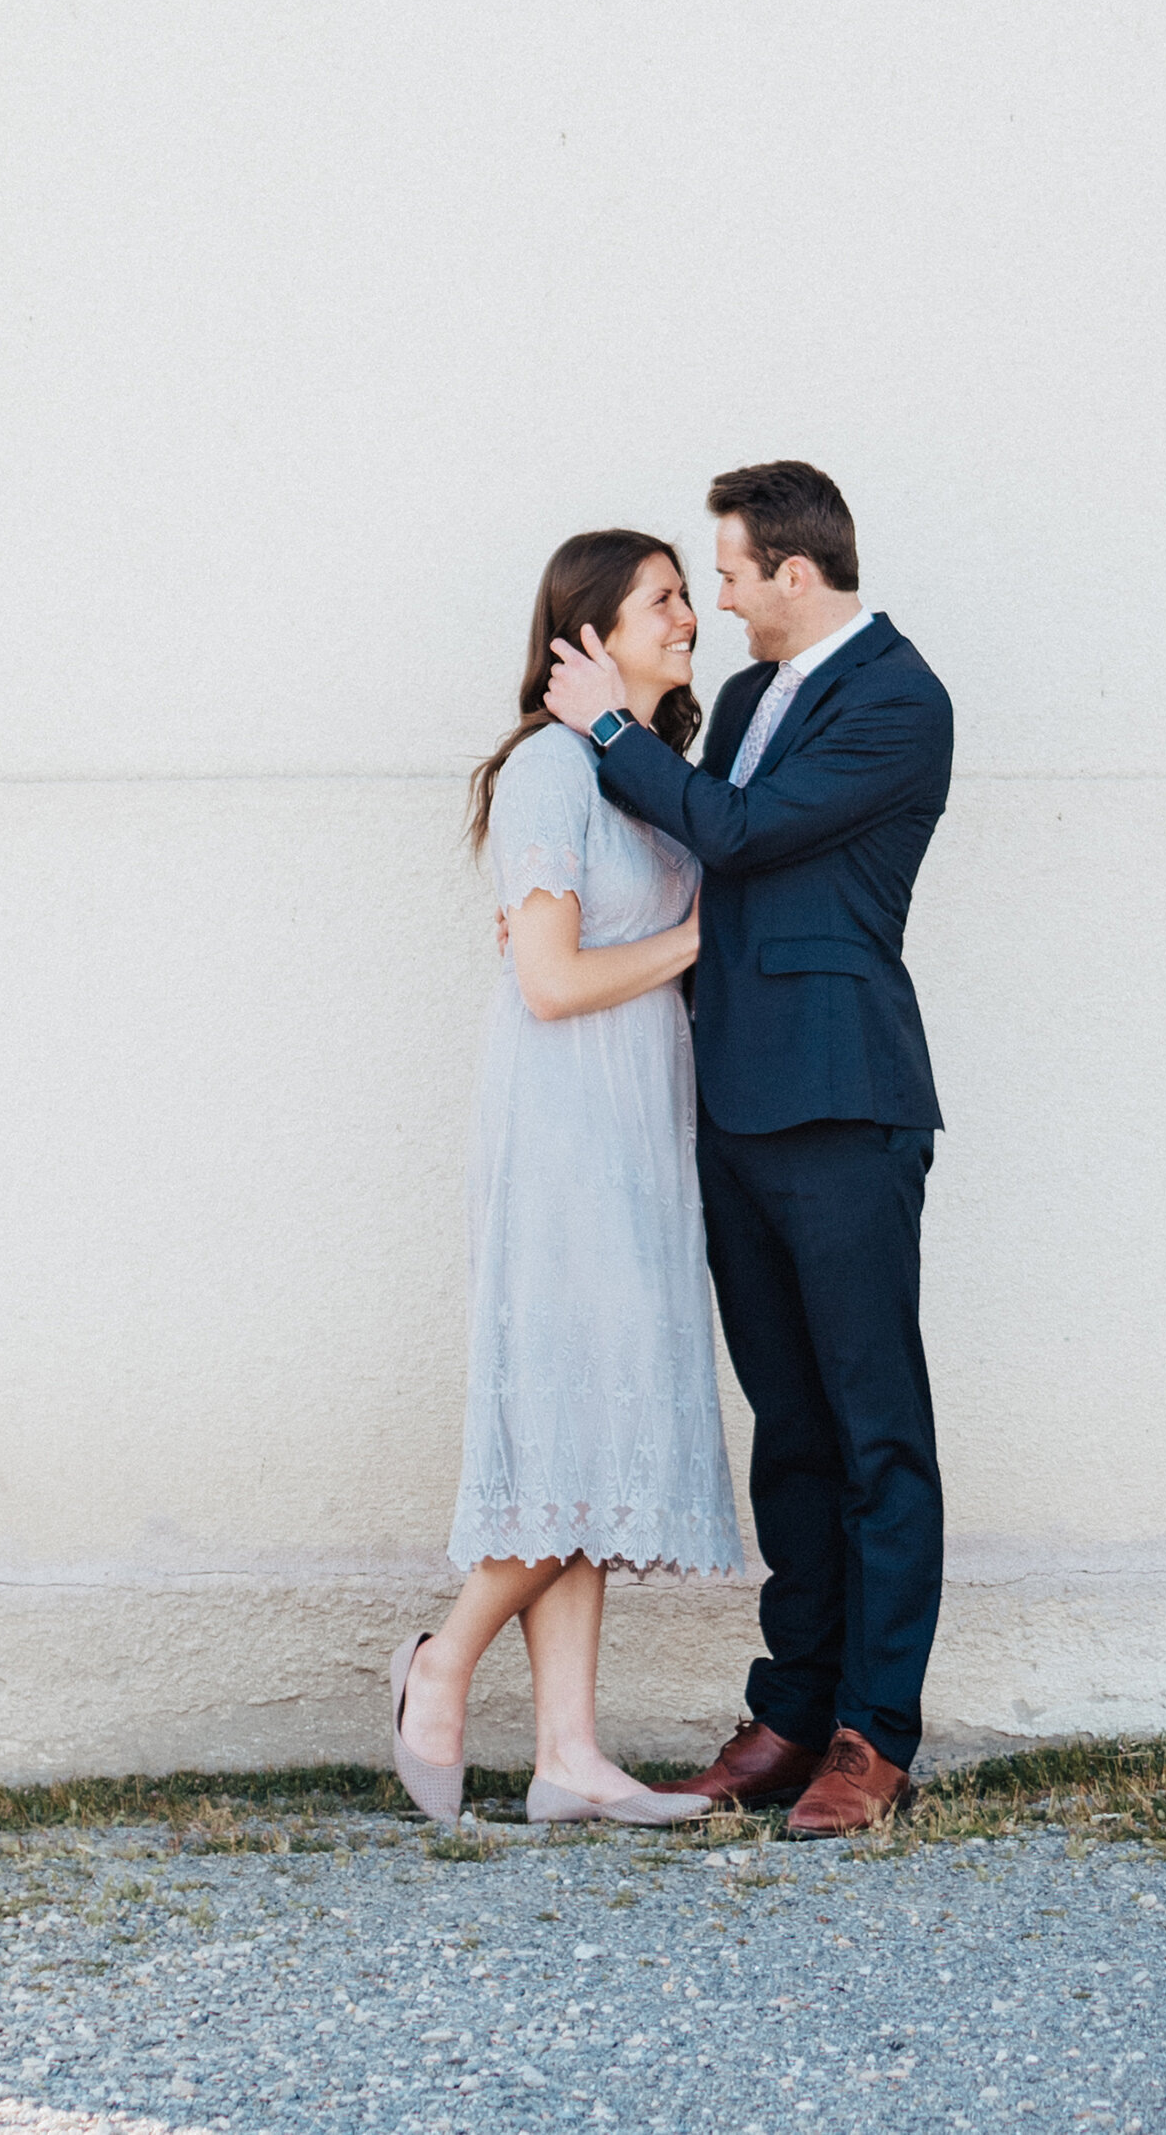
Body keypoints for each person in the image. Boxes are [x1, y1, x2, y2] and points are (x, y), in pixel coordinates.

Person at [544, 460, 951, 1839]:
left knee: (872, 1428)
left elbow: (740, 834)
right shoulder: (745, 701)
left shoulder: (899, 700)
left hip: (843, 1103)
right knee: (789, 1428)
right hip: (732, 1104)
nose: (714, 599)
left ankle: (871, 1735)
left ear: (794, 571)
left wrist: (609, 731)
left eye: (725, 572)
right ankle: (789, 1712)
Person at [392, 530, 741, 1831]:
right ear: (589, 632)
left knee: (594, 1437)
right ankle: (444, 1661)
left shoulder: (641, 779)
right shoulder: (550, 771)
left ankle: (568, 1757)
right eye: (664, 599)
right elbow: (549, 982)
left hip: (637, 1131)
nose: (690, 617)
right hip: (563, 1141)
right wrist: (703, 935)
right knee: (572, 1441)